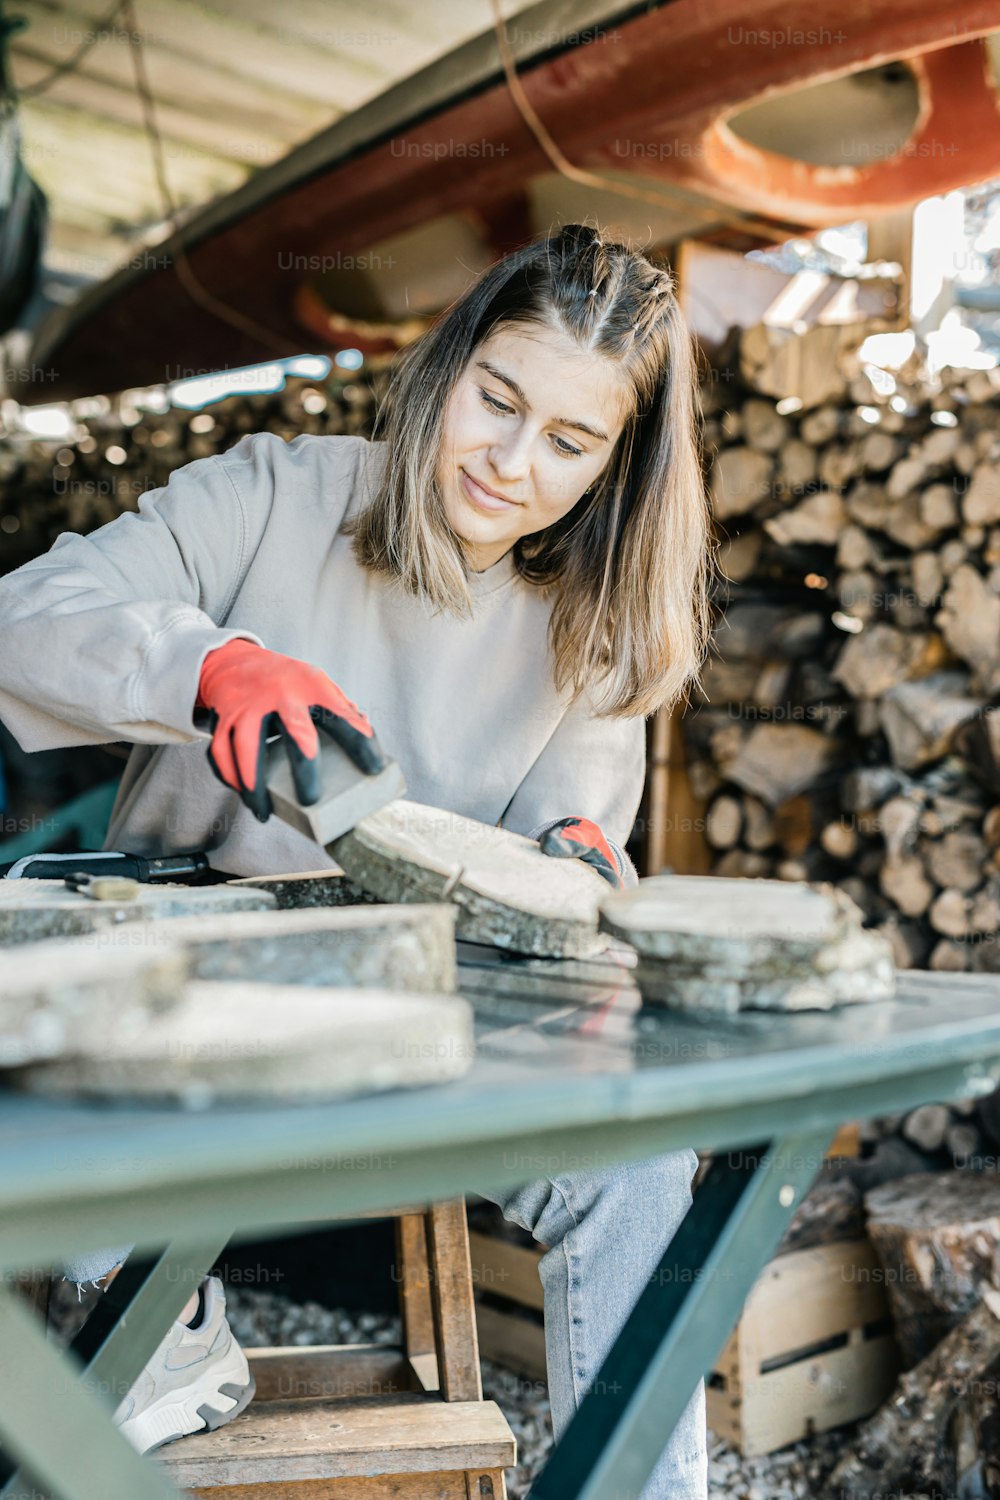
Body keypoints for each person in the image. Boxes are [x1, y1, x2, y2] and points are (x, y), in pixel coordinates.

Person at [0, 221, 712, 1496]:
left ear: (616, 464)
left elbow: (570, 860)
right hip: (184, 1011)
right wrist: (208, 666)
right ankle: (141, 1330)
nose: (510, 462)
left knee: (641, 1160)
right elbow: (24, 622)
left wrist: (576, 874)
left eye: (569, 441)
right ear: (449, 369)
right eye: (496, 401)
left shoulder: (595, 621)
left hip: (430, 1020)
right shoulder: (272, 493)